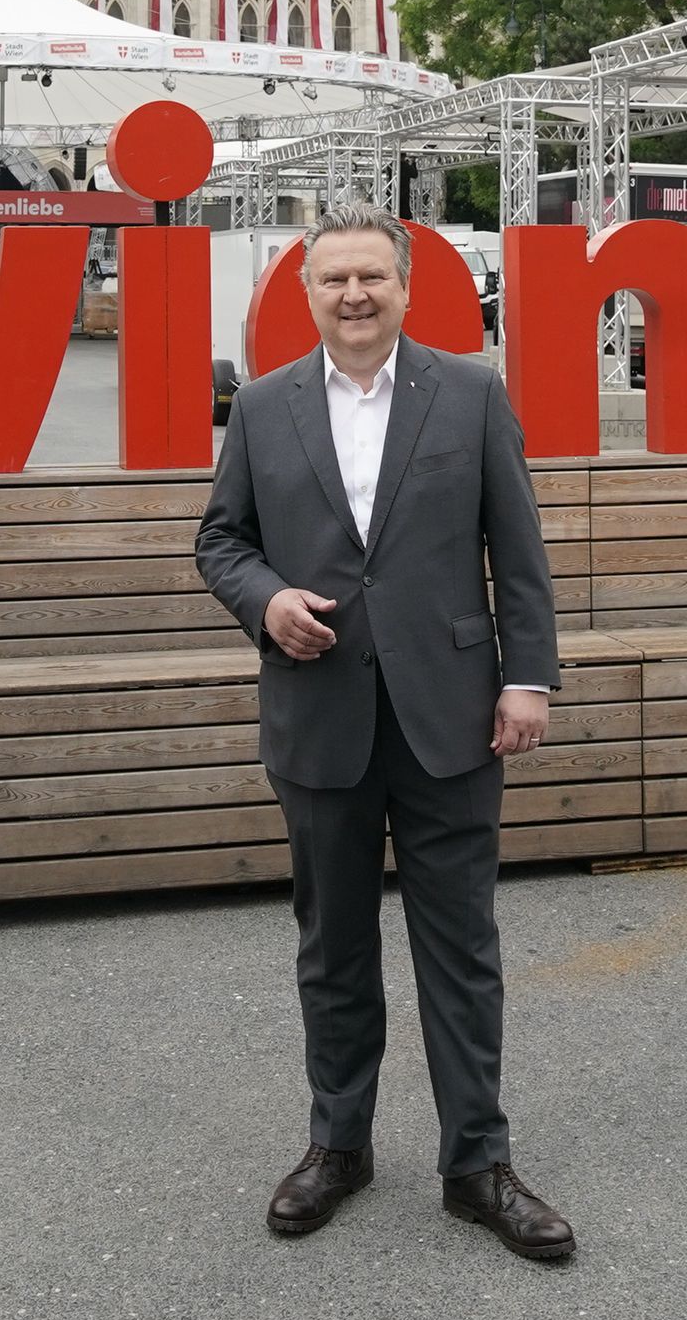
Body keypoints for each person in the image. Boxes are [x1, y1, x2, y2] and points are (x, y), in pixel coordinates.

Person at [194, 204, 575, 1264]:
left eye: (371, 278)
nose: (353, 296)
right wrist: (264, 600)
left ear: (405, 288)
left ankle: (477, 1164)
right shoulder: (263, 407)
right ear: (305, 293)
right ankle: (338, 1147)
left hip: (453, 716)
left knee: (462, 950)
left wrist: (528, 681)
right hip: (318, 719)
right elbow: (220, 541)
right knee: (334, 950)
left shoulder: (469, 391)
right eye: (333, 281)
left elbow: (519, 547)